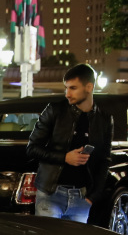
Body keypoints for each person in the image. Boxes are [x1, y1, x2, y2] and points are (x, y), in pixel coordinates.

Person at [26, 63, 114, 224]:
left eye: (73, 88)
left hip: (82, 197)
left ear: (89, 87)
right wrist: (64, 157)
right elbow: (32, 148)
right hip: (51, 193)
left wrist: (93, 196)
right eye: (66, 88)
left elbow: (105, 159)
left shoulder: (104, 119)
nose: (67, 94)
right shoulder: (55, 110)